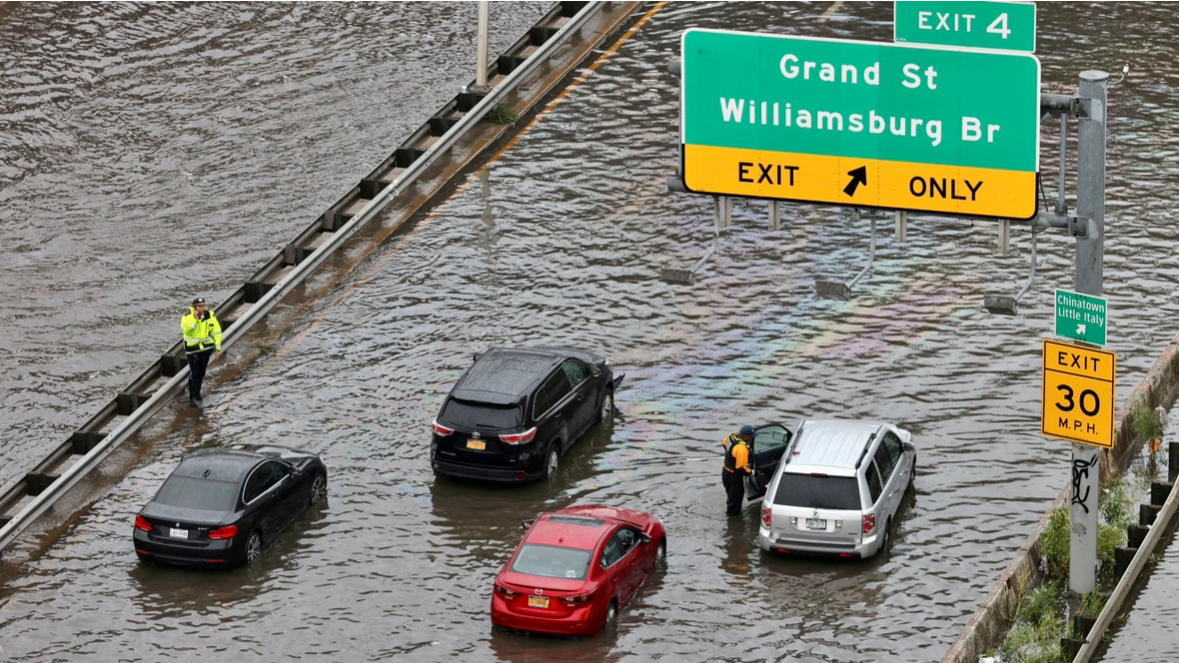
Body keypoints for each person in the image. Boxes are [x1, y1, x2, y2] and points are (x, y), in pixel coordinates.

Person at [181, 297, 222, 407]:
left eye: (204, 306)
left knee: (202, 372)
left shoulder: (210, 317)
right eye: (200, 306)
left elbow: (217, 333)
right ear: (195, 308)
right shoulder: (187, 317)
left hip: (205, 350)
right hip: (193, 350)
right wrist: (195, 320)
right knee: (194, 373)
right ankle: (192, 397)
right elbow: (186, 331)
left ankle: (197, 393)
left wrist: (218, 348)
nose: (202, 308)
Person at [722, 425, 756, 516]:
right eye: (751, 436)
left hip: (725, 471)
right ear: (745, 436)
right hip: (734, 477)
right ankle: (733, 522)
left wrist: (731, 457)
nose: (753, 438)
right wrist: (754, 473)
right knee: (735, 500)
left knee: (732, 497)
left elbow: (724, 443)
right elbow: (741, 469)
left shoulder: (732, 435)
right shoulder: (741, 449)